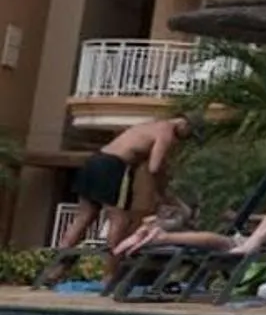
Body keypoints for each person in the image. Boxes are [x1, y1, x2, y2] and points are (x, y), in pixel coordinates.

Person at [46, 114, 200, 283]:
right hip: (113, 166)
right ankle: (110, 275)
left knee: (83, 218)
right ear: (184, 124)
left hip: (94, 161)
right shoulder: (167, 133)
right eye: (189, 135)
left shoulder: (149, 125)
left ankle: (56, 269)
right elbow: (155, 167)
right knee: (120, 220)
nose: (185, 141)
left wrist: (164, 190)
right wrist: (164, 193)